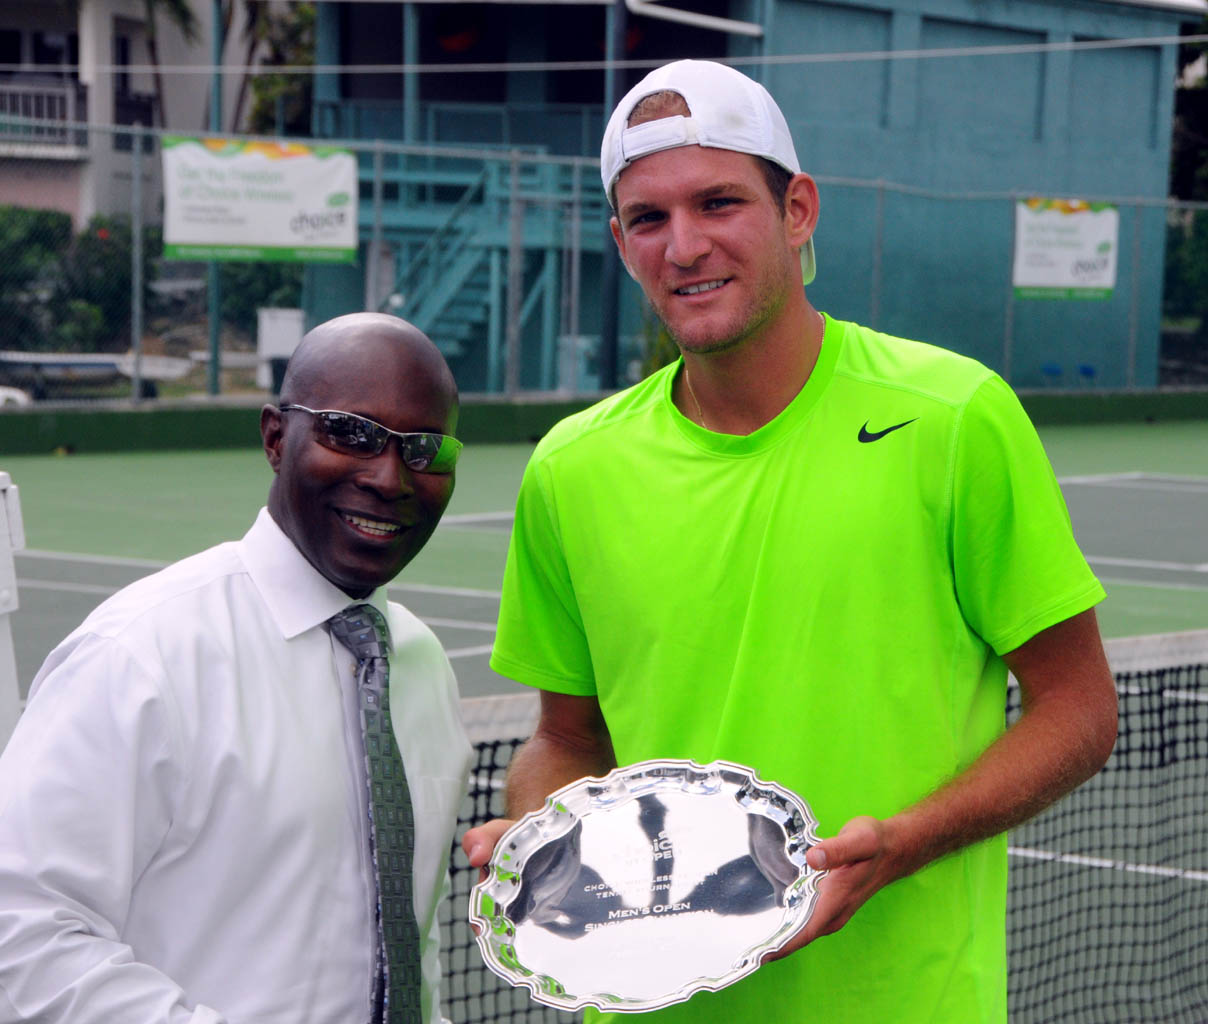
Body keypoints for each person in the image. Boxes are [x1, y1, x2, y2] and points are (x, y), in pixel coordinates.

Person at [463, 60, 1118, 1022]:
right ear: (621, 241)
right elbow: (568, 735)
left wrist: (906, 839)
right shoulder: (571, 469)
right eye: (648, 218)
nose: (684, 246)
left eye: (719, 202)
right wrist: (543, 828)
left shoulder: (954, 417)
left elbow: (1080, 709)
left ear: (798, 210)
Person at [0, 313, 473, 1024]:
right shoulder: (141, 655)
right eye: (352, 433)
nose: (389, 476)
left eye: (424, 448)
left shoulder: (421, 664)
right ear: (276, 438)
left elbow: (409, 940)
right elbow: (22, 932)